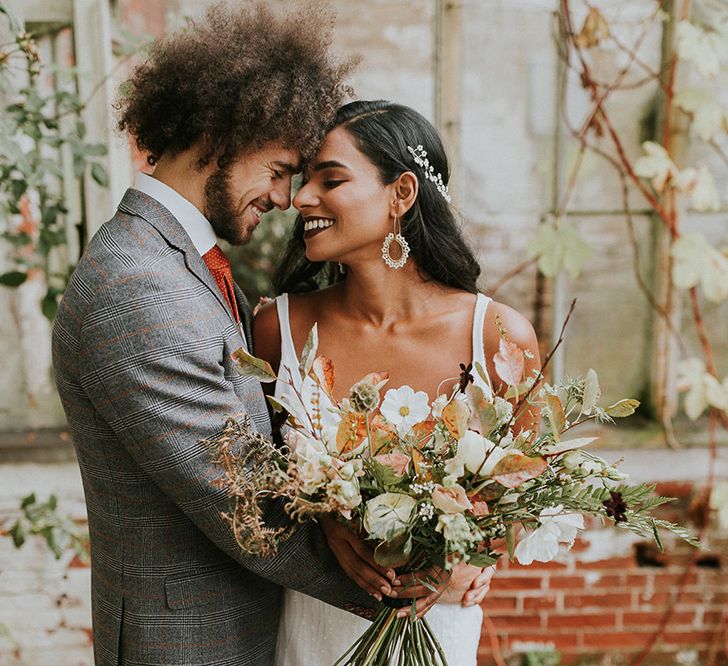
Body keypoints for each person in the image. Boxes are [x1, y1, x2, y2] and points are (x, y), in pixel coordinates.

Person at [51, 6, 418, 665]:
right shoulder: (135, 287)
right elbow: (245, 501)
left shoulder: (186, 265)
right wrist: (414, 571)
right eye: (279, 170)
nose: (285, 199)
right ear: (218, 133)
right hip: (188, 646)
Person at [254, 100, 542, 665]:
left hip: (437, 628)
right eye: (302, 179)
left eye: (330, 179)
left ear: (401, 194)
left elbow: (529, 494)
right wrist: (325, 527)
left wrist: (474, 556)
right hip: (312, 628)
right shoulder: (277, 328)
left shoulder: (498, 335)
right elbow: (247, 480)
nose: (301, 197)